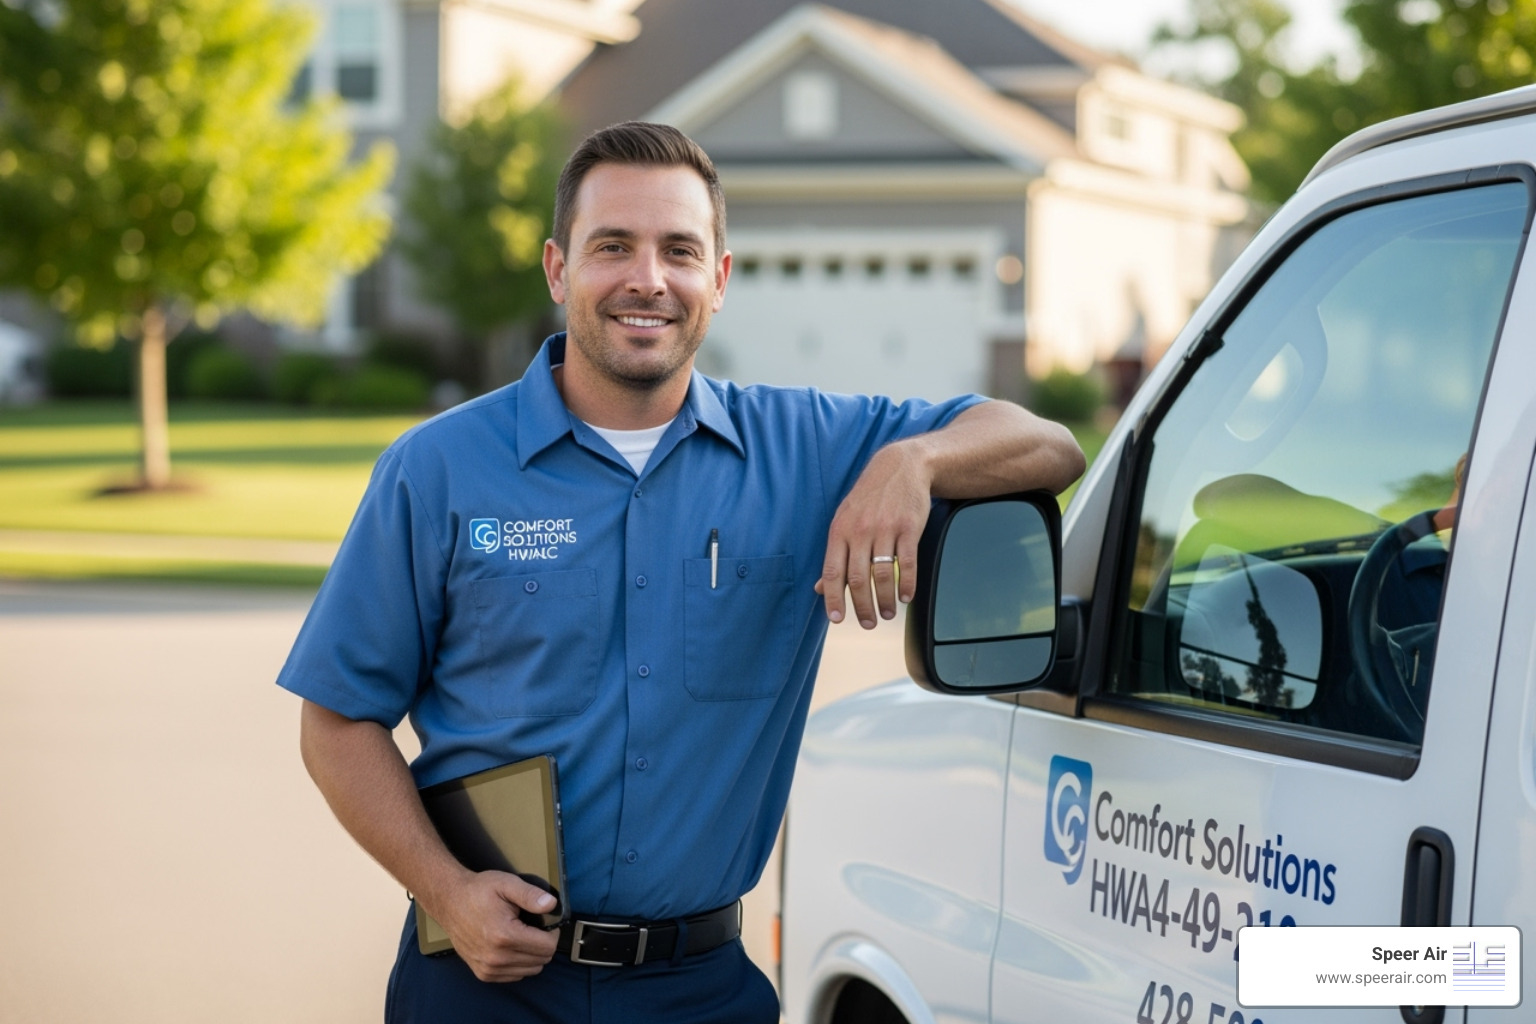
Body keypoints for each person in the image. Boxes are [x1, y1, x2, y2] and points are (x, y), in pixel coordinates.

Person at [279, 121, 1085, 1023]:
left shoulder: (810, 447)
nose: (647, 279)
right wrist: (446, 890)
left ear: (721, 279)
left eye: (679, 251)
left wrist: (915, 463)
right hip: (480, 983)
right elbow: (337, 720)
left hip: (703, 992)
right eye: (612, 246)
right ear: (557, 268)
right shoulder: (435, 468)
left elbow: (1047, 444)